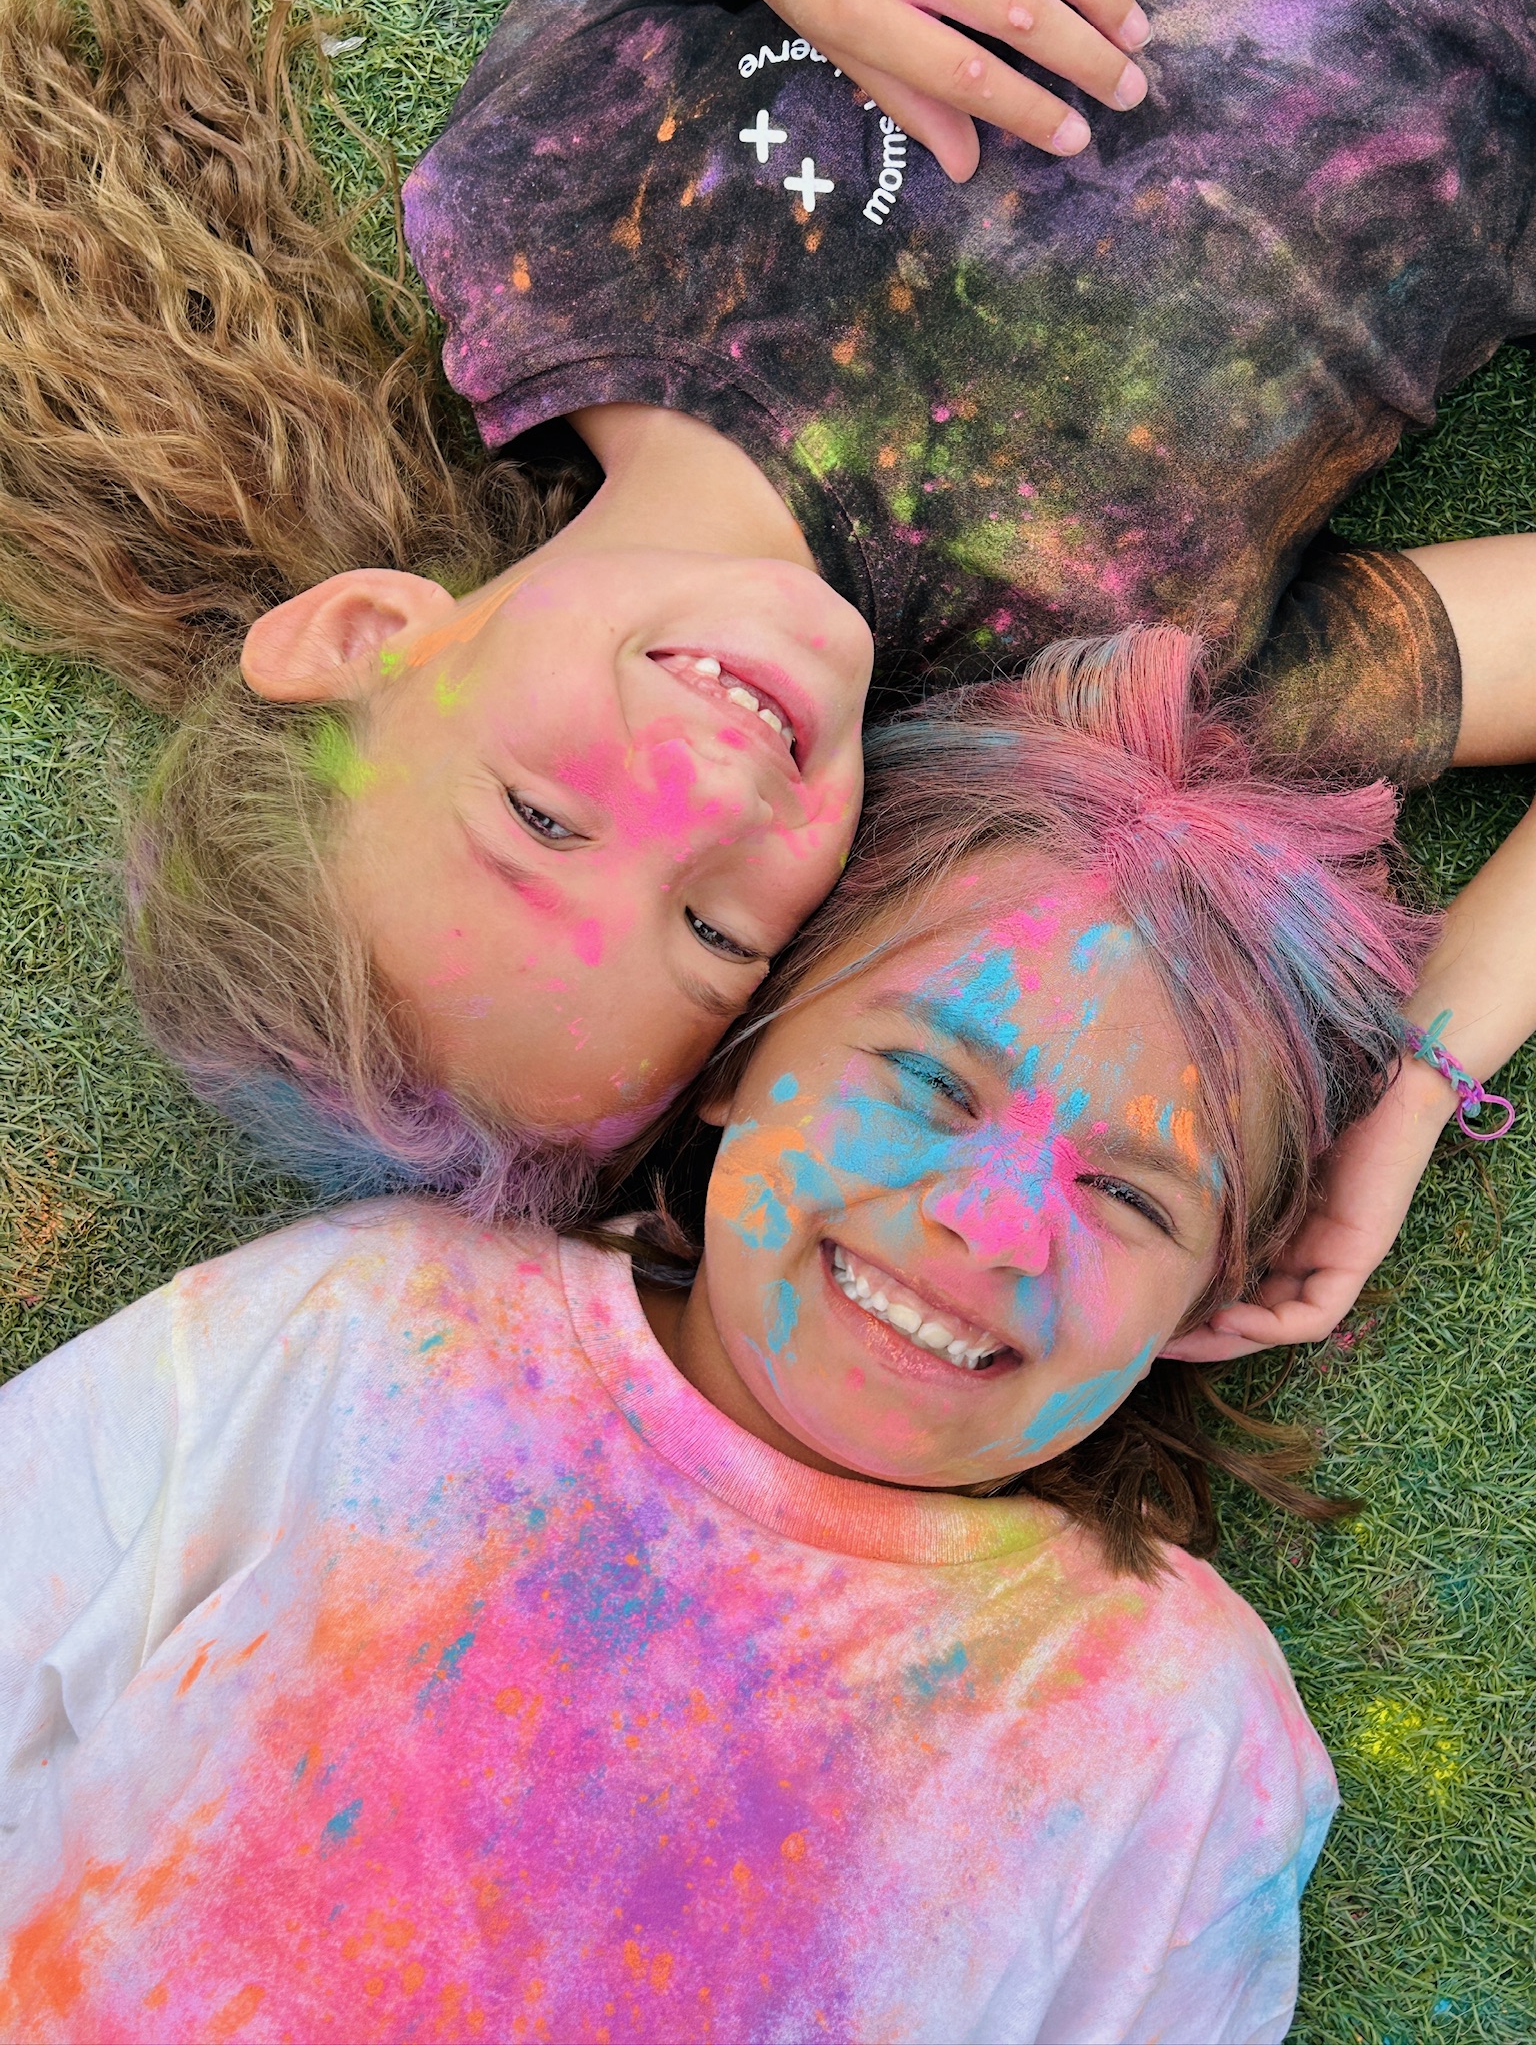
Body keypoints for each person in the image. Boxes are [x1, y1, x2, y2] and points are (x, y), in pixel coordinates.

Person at [0, 631, 1435, 2042]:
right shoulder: (366, 1332)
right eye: (933, 1081)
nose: (997, 1223)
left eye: (1128, 1194)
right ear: (740, 1059)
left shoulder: (1168, 1734)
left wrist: (1425, 1092)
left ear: (1207, 1303)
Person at [1, 0, 1532, 1307]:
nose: (715, 801)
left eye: (544, 817)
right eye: (718, 928)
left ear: (366, 636)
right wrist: (1414, 1081)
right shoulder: (1090, 696)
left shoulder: (538, 226)